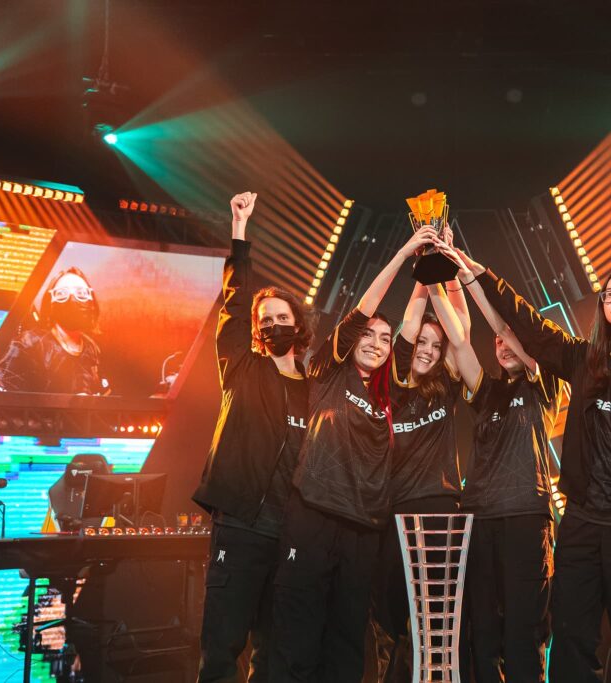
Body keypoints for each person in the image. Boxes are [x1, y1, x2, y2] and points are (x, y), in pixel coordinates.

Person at [448, 245, 611, 683]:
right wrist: (475, 273)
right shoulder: (585, 362)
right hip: (582, 527)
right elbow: (527, 324)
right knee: (571, 642)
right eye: (609, 293)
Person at [271, 226, 438, 683]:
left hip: (364, 526)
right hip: (313, 513)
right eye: (369, 335)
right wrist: (404, 253)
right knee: (298, 630)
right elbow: (364, 307)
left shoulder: (391, 393)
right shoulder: (329, 371)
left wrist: (426, 267)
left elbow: (411, 324)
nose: (377, 343)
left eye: (384, 339)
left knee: (347, 639)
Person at [192, 191, 315, 683]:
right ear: (257, 332)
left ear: (298, 325)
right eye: (267, 321)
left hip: (289, 533)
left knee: (275, 652)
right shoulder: (241, 368)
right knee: (222, 648)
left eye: (283, 318)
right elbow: (235, 303)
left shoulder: (315, 390)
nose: (274, 324)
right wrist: (239, 232)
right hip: (242, 524)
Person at [432, 245, 562, 683]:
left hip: (526, 517)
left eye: (509, 340)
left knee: (524, 630)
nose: (502, 344)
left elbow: (504, 324)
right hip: (478, 519)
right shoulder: (486, 391)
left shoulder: (544, 384)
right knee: (482, 633)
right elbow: (458, 339)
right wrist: (435, 272)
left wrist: (467, 271)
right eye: (498, 342)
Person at [371, 279, 474, 682]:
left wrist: (444, 275)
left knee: (437, 623)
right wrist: (423, 275)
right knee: (393, 617)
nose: (428, 350)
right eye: (421, 343)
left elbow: (461, 327)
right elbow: (409, 325)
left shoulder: (444, 386)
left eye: (436, 345)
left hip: (442, 513)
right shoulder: (390, 390)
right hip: (394, 516)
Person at [0, 267, 106, 394]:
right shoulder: (27, 344)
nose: (72, 299)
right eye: (61, 294)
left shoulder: (91, 348)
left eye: (81, 293)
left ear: (92, 301)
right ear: (50, 302)